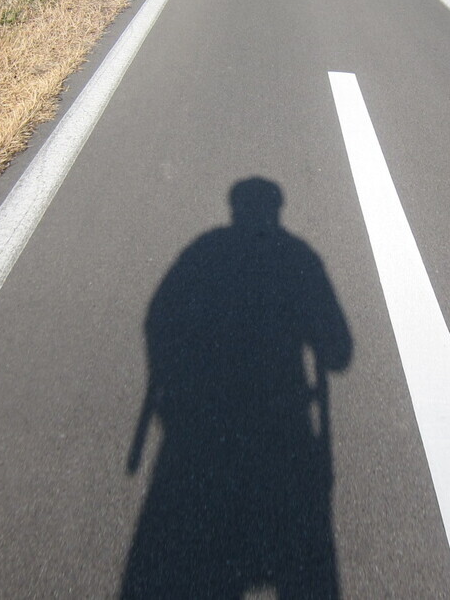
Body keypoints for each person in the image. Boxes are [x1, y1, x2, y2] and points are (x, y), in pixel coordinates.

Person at [123, 178, 353, 599]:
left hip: (192, 427)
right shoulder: (299, 255)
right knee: (303, 555)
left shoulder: (201, 250)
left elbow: (159, 319)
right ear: (276, 208)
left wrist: (170, 388)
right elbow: (339, 353)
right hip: (286, 420)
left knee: (183, 555)